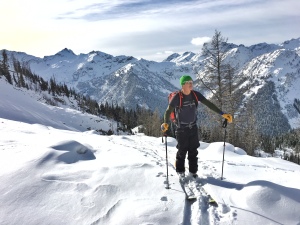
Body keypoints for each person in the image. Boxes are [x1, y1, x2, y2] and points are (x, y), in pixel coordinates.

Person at [161, 75, 232, 180]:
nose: (191, 84)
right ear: (183, 85)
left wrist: (222, 114)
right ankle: (180, 171)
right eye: (188, 82)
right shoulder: (178, 97)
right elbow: (168, 111)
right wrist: (165, 123)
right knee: (182, 150)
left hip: (193, 127)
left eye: (191, 82)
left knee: (193, 150)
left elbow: (209, 104)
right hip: (181, 129)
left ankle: (193, 172)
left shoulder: (195, 94)